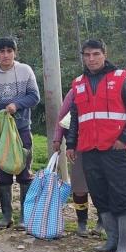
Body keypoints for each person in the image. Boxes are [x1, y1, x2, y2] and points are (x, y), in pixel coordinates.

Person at [65, 39, 126, 252]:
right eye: (87, 55)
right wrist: (71, 144)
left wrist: (124, 138)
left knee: (121, 196)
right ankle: (111, 241)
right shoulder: (78, 83)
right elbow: (75, 117)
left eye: (96, 54)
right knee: (99, 195)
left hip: (115, 149)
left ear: (104, 54)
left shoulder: (121, 78)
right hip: (89, 149)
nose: (91, 59)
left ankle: (124, 246)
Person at [0, 37, 40, 230]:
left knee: (24, 171)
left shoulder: (25, 70)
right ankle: (6, 216)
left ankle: (25, 216)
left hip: (21, 128)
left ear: (15, 52)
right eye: (1, 51)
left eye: (9, 51)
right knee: (3, 171)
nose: (5, 55)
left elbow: (34, 97)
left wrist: (16, 104)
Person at [52, 89, 102, 237]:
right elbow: (63, 115)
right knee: (79, 186)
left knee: (101, 186)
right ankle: (82, 222)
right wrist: (57, 138)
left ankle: (102, 221)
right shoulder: (76, 90)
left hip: (103, 144)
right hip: (79, 143)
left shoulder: (110, 85)